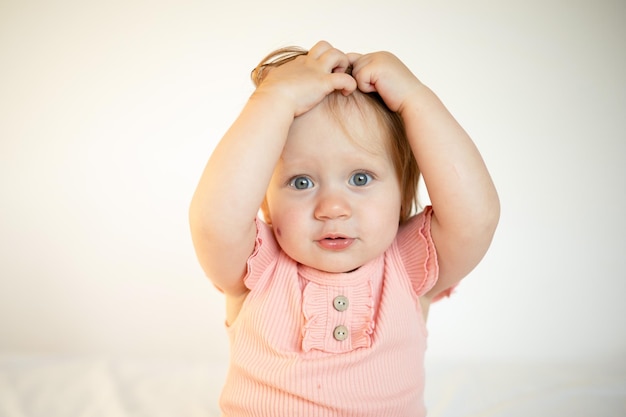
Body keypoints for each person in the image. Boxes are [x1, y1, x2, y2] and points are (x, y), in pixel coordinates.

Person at [189, 40, 500, 417]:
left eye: (360, 178)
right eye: (301, 182)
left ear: (402, 192)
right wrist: (272, 101)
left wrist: (416, 99)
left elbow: (476, 217)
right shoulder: (258, 267)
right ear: (264, 201)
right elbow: (214, 221)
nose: (332, 208)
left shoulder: (408, 266)